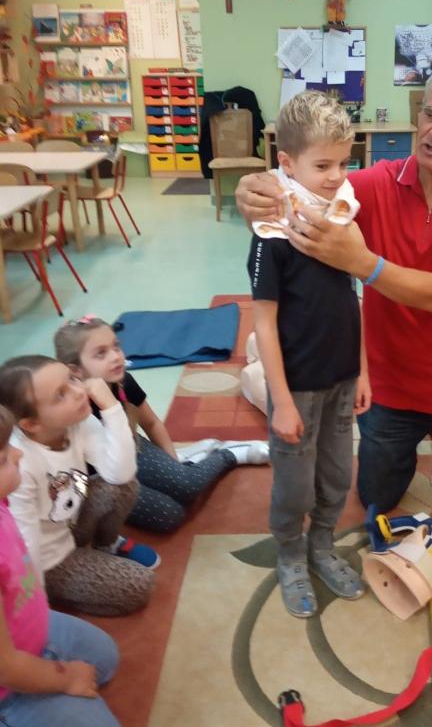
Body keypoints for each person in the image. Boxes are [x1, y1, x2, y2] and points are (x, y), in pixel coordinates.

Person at [236, 62, 432, 509]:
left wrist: (362, 263)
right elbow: (300, 191)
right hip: (390, 382)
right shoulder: (373, 185)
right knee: (376, 499)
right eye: (429, 114)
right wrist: (252, 190)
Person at [247, 90, 371, 618]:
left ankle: (321, 544)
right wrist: (281, 401)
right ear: (287, 163)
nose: (336, 176)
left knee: (337, 475)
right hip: (296, 386)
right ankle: (291, 552)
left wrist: (363, 371)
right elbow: (263, 321)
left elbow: (352, 299)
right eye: (323, 166)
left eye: (344, 163)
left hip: (342, 380)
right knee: (294, 485)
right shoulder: (271, 234)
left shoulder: (341, 219)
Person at [54, 317, 270, 534]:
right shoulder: (71, 410)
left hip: (131, 449)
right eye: (101, 353)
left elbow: (152, 423)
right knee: (169, 516)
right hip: (100, 478)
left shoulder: (123, 382)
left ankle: (227, 454)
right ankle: (196, 457)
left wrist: (174, 466)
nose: (116, 356)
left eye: (116, 347)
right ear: (76, 370)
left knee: (187, 486)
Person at [0, 355, 155, 616]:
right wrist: (37, 604)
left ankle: (105, 546)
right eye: (60, 395)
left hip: (71, 525)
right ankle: (59, 590)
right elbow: (27, 541)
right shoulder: (21, 463)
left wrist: (111, 407)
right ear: (31, 424)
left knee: (122, 487)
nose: (79, 391)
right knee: (139, 585)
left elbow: (120, 474)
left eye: (72, 379)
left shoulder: (78, 421)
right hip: (49, 559)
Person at [0, 405, 121, 727]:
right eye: (3, 459)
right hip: (8, 681)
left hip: (27, 625)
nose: (17, 454)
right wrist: (65, 678)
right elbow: (6, 668)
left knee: (105, 657)